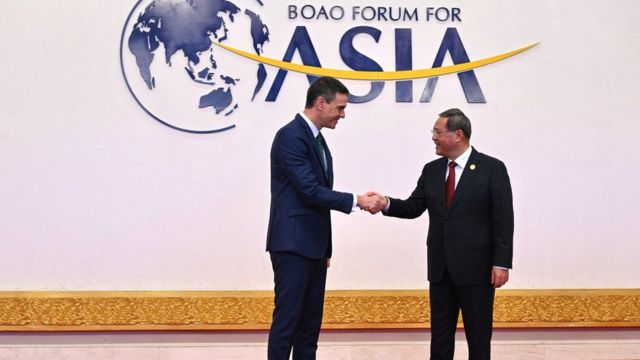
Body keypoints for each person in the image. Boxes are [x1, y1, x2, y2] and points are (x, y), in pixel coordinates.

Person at [367, 108, 513, 360]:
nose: (433, 137)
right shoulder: (432, 170)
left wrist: (501, 263)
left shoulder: (492, 168)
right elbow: (413, 207)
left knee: (478, 339)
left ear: (458, 134)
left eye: (437, 132)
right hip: (440, 269)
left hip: (477, 270)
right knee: (440, 338)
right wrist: (385, 203)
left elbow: (503, 220)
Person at [266, 76, 378, 360]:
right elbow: (310, 191)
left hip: (313, 248)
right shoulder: (290, 136)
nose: (343, 114)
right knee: (287, 323)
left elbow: (317, 197)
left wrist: (324, 248)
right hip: (292, 245)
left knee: (309, 327)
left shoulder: (316, 140)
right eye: (339, 108)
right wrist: (357, 200)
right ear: (320, 103)